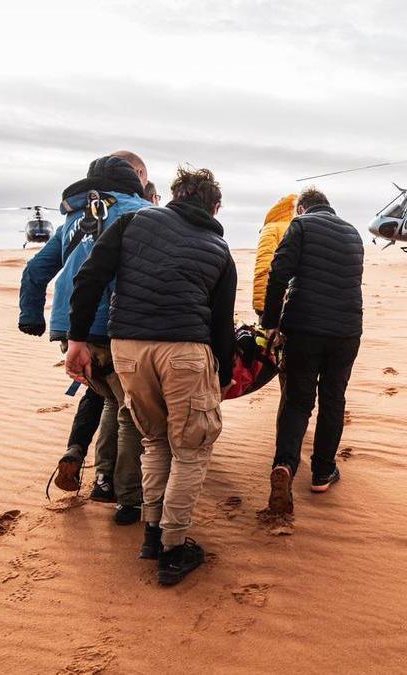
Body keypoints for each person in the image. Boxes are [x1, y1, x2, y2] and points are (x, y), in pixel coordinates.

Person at [65, 166, 236, 587]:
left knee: (155, 440)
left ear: (176, 196)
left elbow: (90, 278)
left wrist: (77, 339)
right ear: (215, 206)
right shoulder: (217, 245)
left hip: (128, 349)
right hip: (185, 351)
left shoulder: (132, 221)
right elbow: (221, 323)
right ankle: (174, 548)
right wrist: (226, 375)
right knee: (191, 449)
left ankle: (152, 531)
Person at [18, 152, 152, 523]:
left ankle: (99, 475)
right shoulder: (141, 212)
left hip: (72, 331)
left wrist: (32, 317)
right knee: (130, 413)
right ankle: (128, 498)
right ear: (134, 180)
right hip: (118, 326)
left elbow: (35, 271)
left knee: (106, 400)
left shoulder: (72, 219)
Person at [260, 187, 363, 516]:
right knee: (333, 399)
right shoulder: (353, 233)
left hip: (304, 329)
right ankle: (322, 472)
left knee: (297, 402)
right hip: (346, 332)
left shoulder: (301, 226)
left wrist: (271, 322)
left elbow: (278, 273)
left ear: (302, 208)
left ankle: (285, 466)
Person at [252, 194, 298, 318]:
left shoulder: (271, 229)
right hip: (298, 305)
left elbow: (264, 266)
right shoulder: (299, 228)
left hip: (273, 302)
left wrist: (262, 307)